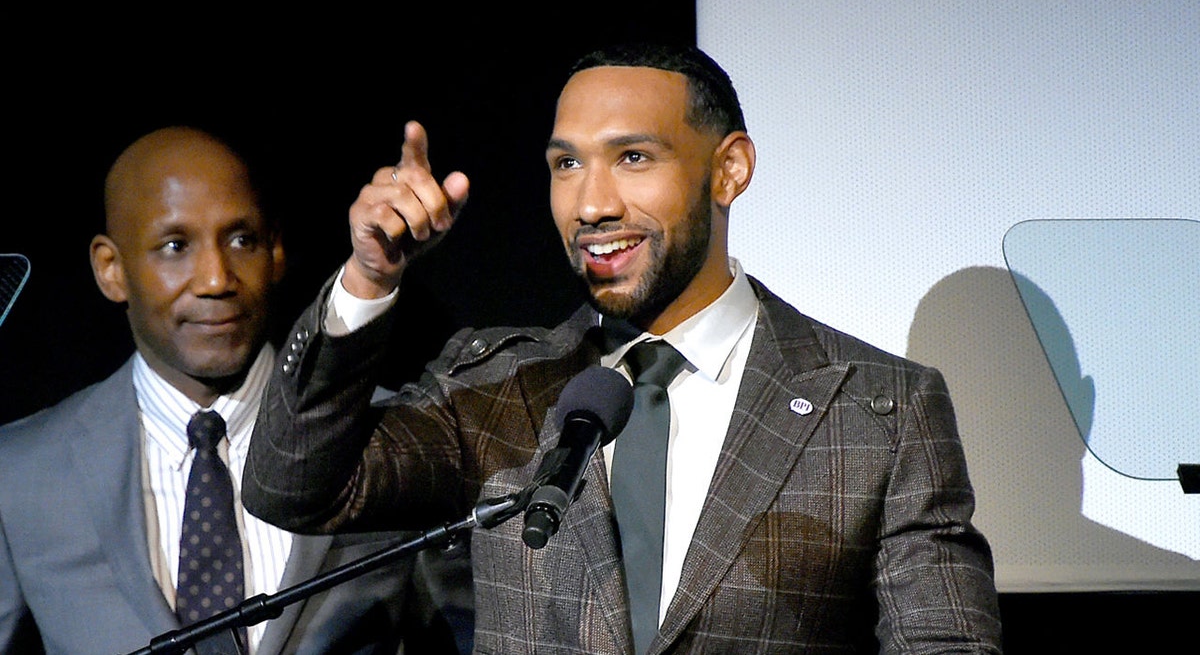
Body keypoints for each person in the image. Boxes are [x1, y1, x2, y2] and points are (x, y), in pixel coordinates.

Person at [242, 43, 1004, 653]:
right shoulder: (500, 385)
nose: (593, 203)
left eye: (633, 157)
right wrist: (369, 279)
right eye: (566, 164)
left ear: (729, 168)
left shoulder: (880, 409)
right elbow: (294, 485)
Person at [0, 126, 467, 654]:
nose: (216, 278)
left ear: (276, 252)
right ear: (112, 270)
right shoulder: (18, 473)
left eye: (242, 240)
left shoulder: (397, 441)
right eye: (175, 246)